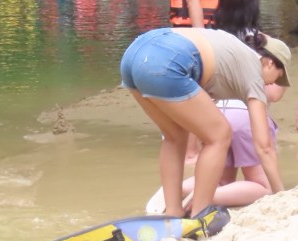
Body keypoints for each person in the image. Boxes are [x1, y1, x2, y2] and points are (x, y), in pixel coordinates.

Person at [121, 27, 289, 218]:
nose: (272, 84)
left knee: (174, 136)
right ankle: (200, 214)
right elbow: (264, 146)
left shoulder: (233, 53)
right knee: (220, 135)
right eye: (278, 77)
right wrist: (281, 194)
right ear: (269, 63)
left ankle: (173, 214)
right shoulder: (254, 71)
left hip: (134, 55)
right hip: (167, 59)